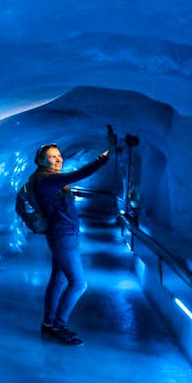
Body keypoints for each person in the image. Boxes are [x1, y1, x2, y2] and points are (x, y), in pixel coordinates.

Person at [31, 136, 113, 346]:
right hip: (62, 236)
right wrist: (105, 157)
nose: (58, 160)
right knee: (78, 283)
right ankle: (59, 326)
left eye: (59, 156)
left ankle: (48, 323)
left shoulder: (50, 179)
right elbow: (80, 173)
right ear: (41, 161)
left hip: (64, 234)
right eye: (51, 157)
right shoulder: (46, 179)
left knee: (58, 280)